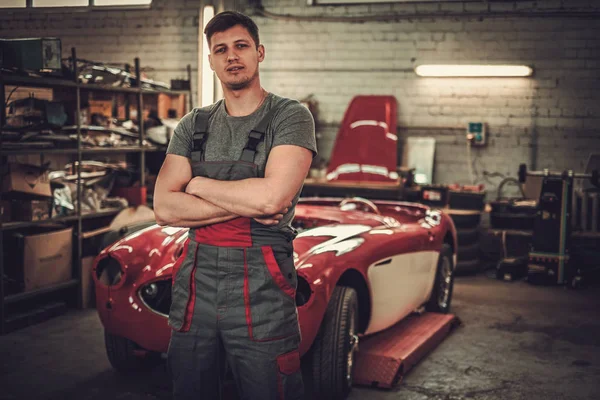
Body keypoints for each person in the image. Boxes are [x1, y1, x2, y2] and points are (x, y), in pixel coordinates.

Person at [153, 10, 316, 400]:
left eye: (241, 46)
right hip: (197, 280)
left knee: (269, 386)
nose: (232, 56)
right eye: (221, 49)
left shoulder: (290, 116)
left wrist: (197, 183)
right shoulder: (193, 125)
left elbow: (274, 198)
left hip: (263, 281)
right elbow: (164, 208)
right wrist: (254, 201)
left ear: (259, 52)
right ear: (211, 60)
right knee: (189, 385)